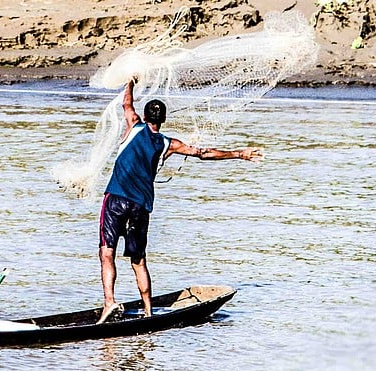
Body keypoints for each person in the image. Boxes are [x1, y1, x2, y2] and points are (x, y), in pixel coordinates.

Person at [98, 79, 263, 323]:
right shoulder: (169, 144)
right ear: (162, 120)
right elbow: (202, 153)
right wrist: (239, 154)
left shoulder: (133, 125)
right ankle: (148, 312)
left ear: (144, 116)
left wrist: (130, 82)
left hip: (116, 198)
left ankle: (109, 303)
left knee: (107, 253)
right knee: (138, 260)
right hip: (141, 206)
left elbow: (126, 103)